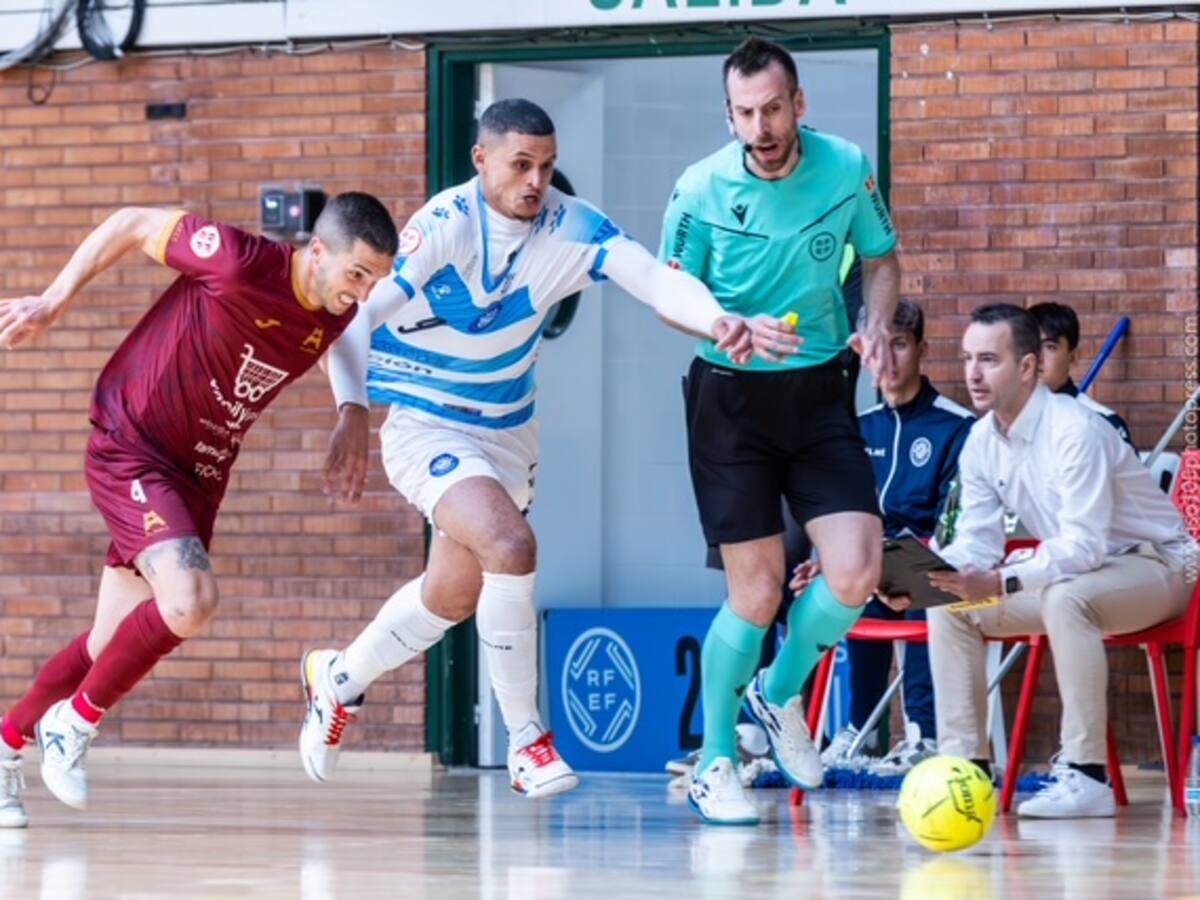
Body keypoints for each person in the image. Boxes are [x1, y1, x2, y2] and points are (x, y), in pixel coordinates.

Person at [297, 99, 780, 799]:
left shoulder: (573, 226)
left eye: (547, 166)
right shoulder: (445, 223)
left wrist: (716, 320)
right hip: (426, 422)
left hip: (507, 430)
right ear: (481, 160)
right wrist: (350, 415)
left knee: (451, 595)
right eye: (520, 164)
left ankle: (337, 680)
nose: (535, 181)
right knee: (512, 546)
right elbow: (351, 326)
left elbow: (654, 279)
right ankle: (527, 739)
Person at [0, 194, 399, 826]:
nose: (364, 291)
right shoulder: (239, 263)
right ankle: (71, 726)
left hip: (198, 477)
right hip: (133, 445)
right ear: (316, 252)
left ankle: (4, 745)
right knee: (191, 599)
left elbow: (349, 335)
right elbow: (130, 222)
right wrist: (53, 300)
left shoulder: (335, 312)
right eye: (357, 274)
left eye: (376, 279)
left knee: (107, 645)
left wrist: (353, 411)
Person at [661, 37, 902, 824]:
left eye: (772, 109)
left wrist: (874, 323)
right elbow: (670, 291)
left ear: (799, 105)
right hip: (730, 398)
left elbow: (883, 256)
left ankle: (776, 693)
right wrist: (722, 323)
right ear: (728, 114)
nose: (759, 126)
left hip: (823, 391)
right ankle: (718, 760)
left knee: (856, 573)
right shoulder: (699, 188)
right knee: (758, 590)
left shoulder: (844, 166)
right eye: (744, 112)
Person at [924, 304, 1196, 818]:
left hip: (1163, 566)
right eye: (967, 359)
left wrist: (1000, 581)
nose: (973, 374)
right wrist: (928, 572)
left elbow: (1083, 547)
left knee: (1066, 597)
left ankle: (1085, 774)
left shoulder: (1078, 429)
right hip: (1080, 576)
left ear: (1027, 367)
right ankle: (965, 772)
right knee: (948, 605)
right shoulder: (981, 439)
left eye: (988, 359)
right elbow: (975, 544)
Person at [819, 299, 973, 775]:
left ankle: (923, 733)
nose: (887, 359)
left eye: (900, 345)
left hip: (936, 565)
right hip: (872, 564)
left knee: (926, 586)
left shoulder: (957, 426)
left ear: (922, 349)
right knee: (834, 584)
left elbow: (955, 523)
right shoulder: (858, 427)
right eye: (877, 347)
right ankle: (860, 730)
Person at [1029, 301, 1134, 447]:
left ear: (1073, 356)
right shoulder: (1004, 421)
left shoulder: (1103, 422)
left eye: (1050, 347)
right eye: (1029, 345)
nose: (1037, 357)